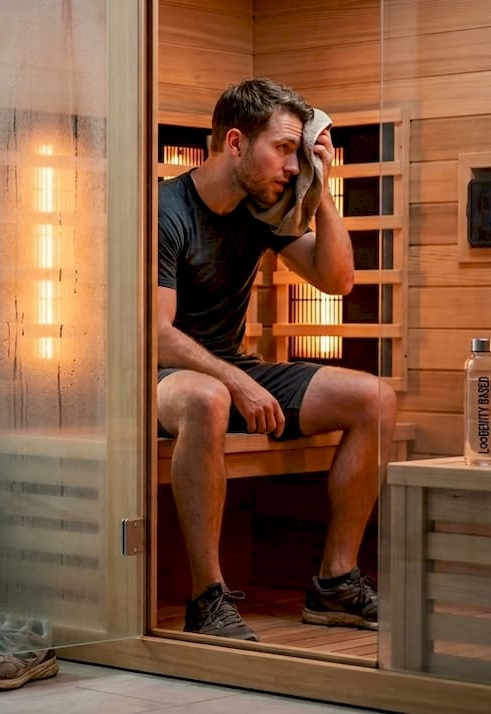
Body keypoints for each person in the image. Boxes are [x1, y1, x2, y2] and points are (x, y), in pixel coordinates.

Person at [157, 77, 397, 641]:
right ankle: (207, 598)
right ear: (235, 142)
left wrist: (324, 185)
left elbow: (337, 280)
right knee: (209, 397)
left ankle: (336, 583)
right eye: (284, 150)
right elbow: (153, 334)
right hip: (160, 377)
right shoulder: (166, 211)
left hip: (230, 370)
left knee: (374, 399)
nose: (292, 166)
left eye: (298, 151)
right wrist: (236, 381)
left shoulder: (259, 208)